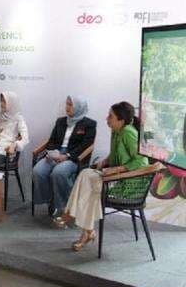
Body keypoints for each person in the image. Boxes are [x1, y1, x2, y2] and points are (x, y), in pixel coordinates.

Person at [58, 101, 149, 251]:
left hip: (128, 183)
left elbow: (142, 161)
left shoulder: (128, 133)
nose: (107, 118)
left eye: (110, 116)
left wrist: (117, 169)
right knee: (85, 174)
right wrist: (105, 161)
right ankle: (83, 227)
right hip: (116, 177)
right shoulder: (116, 131)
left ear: (121, 120)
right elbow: (116, 153)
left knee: (91, 186)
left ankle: (78, 222)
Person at [32, 96, 96, 217]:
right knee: (38, 171)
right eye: (67, 104)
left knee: (58, 173)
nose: (67, 107)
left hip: (73, 157)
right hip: (56, 153)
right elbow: (51, 140)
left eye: (70, 105)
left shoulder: (89, 124)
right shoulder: (60, 121)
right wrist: (51, 152)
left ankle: (64, 205)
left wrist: (67, 156)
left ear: (79, 107)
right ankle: (50, 200)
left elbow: (86, 145)